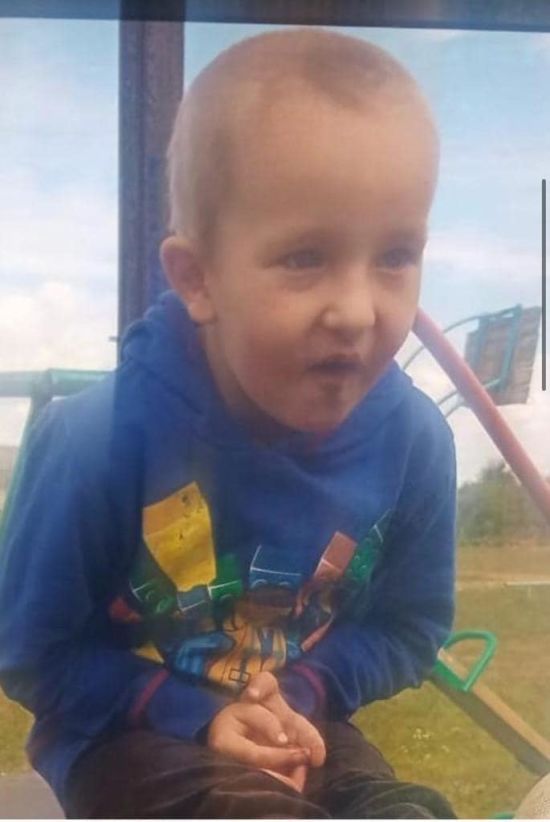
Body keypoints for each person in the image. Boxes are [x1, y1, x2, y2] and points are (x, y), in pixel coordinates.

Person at [0, 28, 457, 818]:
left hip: (298, 721)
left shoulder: (415, 445)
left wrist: (304, 690)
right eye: (305, 257)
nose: (356, 310)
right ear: (198, 277)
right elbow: (28, 649)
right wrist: (198, 714)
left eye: (394, 255)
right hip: (129, 732)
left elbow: (411, 625)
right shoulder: (98, 443)